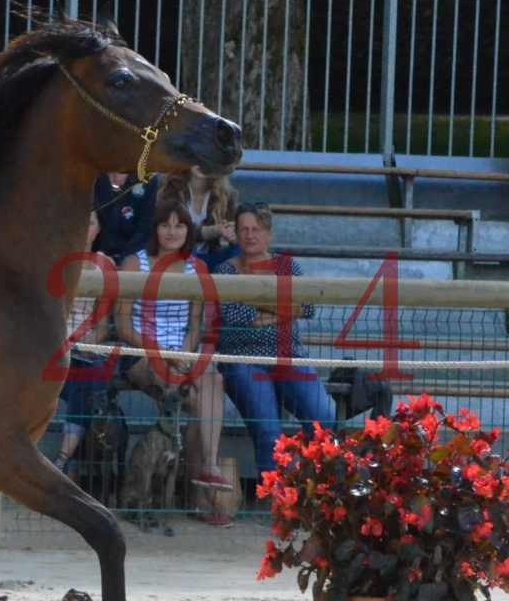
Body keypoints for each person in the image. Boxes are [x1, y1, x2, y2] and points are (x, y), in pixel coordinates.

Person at [116, 199, 234, 505]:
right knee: (195, 401)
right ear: (155, 229)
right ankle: (193, 495)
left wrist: (183, 353)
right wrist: (160, 353)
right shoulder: (134, 263)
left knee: (213, 382)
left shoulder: (198, 268)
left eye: (179, 224)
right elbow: (123, 322)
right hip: (142, 353)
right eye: (165, 224)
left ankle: (206, 467)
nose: (172, 231)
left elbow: (195, 324)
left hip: (182, 354)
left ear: (188, 230)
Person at [214, 203, 338, 493]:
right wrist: (282, 306)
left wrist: (255, 304)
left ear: (268, 234)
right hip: (242, 359)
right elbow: (233, 316)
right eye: (243, 229)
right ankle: (278, 498)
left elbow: (306, 306)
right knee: (269, 430)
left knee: (324, 416)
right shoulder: (225, 270)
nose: (249, 235)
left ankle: (319, 487)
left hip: (288, 356)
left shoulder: (288, 266)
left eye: (256, 229)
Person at [53, 207, 113, 474]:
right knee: (81, 386)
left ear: (98, 228)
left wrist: (88, 341)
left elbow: (103, 324)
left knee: (85, 383)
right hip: (52, 349)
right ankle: (63, 463)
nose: (83, 227)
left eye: (89, 222)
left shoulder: (105, 265)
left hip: (85, 352)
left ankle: (62, 460)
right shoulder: (53, 259)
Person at [158, 169, 238, 270]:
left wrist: (232, 232)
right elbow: (172, 231)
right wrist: (213, 231)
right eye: (197, 157)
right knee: (189, 246)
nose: (200, 164)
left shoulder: (227, 194)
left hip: (213, 256)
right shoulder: (170, 189)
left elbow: (233, 225)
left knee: (241, 247)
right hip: (180, 255)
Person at [93, 170, 158, 263]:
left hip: (132, 262)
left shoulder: (148, 178)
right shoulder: (93, 174)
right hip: (92, 260)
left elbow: (144, 229)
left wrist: (119, 260)